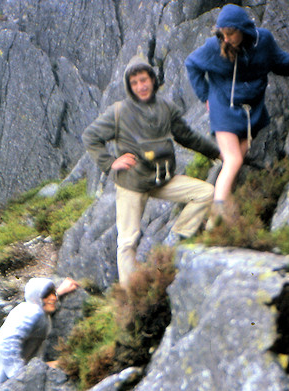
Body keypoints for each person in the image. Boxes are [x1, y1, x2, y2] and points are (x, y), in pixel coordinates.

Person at [82, 55, 221, 288]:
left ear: (153, 80)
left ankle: (177, 239)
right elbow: (90, 137)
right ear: (129, 86)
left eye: (144, 80)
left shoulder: (167, 108)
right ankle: (130, 295)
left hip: (162, 180)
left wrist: (217, 154)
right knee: (127, 242)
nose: (141, 86)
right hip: (131, 185)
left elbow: (188, 137)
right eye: (134, 82)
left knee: (206, 192)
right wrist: (110, 163)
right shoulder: (119, 112)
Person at [185, 4, 289, 215]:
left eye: (230, 34)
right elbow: (192, 64)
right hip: (223, 109)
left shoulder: (263, 41)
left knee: (237, 160)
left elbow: (281, 62)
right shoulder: (214, 47)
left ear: (242, 29)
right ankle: (217, 216)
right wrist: (204, 95)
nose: (226, 39)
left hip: (250, 113)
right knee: (234, 159)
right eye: (222, 34)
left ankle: (227, 214)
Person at [0, 276, 79, 391]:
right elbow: (7, 344)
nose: (53, 298)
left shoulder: (32, 309)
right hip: (1, 377)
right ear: (37, 298)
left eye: (53, 293)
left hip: (2, 377)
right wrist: (21, 376)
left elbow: (41, 298)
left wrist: (60, 291)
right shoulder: (33, 312)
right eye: (48, 295)